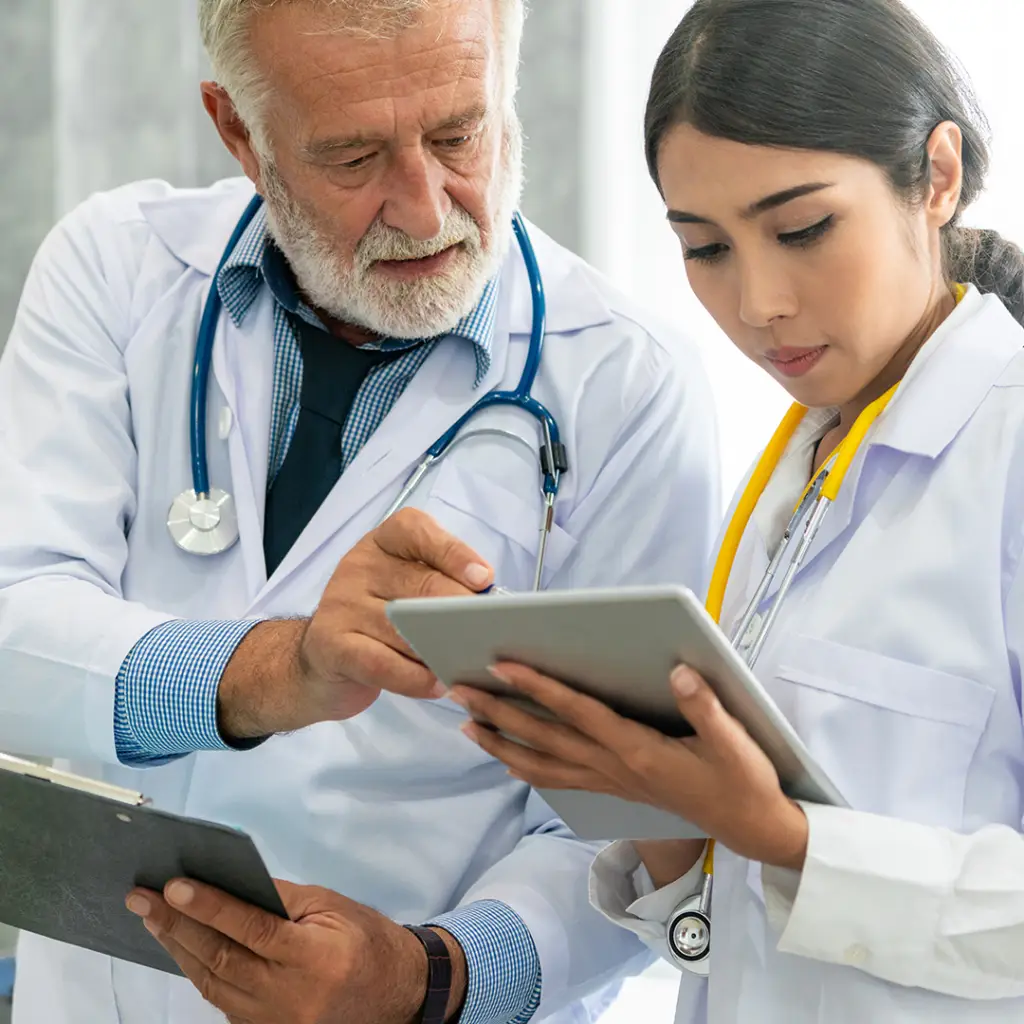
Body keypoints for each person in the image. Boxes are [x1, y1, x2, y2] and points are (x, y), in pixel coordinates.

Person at [0, 1, 722, 1022]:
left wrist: (423, 978)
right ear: (239, 132)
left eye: (459, 135)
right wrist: (281, 670)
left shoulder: (625, 386)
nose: (425, 208)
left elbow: (633, 830)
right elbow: (15, 625)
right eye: (352, 157)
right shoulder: (117, 273)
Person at [447, 0, 1024, 1022]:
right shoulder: (801, 466)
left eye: (802, 228)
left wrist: (785, 838)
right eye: (704, 247)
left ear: (935, 177)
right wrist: (664, 814)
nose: (757, 302)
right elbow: (748, 931)